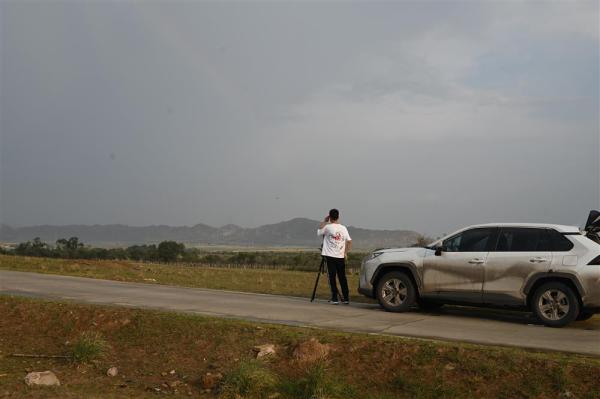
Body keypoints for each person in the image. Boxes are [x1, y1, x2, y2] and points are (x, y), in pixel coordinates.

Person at [317, 208, 352, 305]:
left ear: (330, 217)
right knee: (342, 277)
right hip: (340, 256)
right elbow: (349, 241)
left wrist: (324, 221)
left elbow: (319, 231)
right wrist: (345, 252)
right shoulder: (343, 228)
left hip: (330, 256)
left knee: (332, 277)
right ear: (338, 216)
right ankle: (346, 298)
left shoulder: (327, 227)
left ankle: (334, 298)